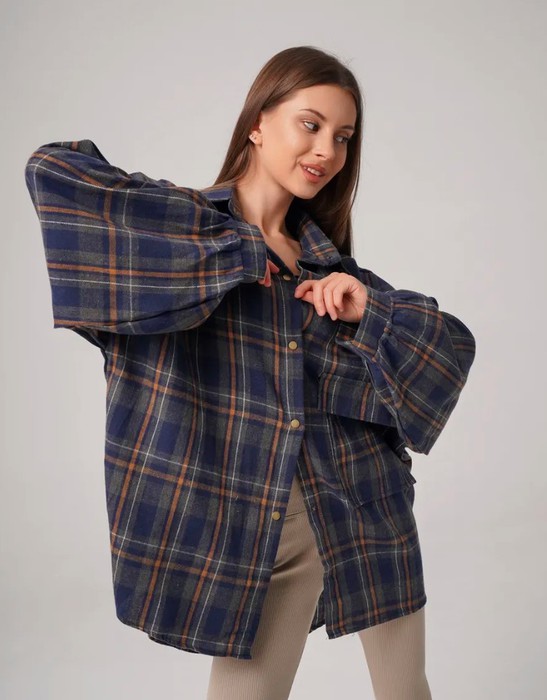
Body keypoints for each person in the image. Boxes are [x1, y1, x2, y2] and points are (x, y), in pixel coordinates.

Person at [25, 46, 476, 699]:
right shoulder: (184, 235)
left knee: (406, 693)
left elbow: (450, 345)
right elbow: (51, 170)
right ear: (258, 123)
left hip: (366, 505)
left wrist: (369, 311)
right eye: (311, 124)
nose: (327, 150)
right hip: (251, 527)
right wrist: (239, 249)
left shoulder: (328, 268)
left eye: (343, 137)